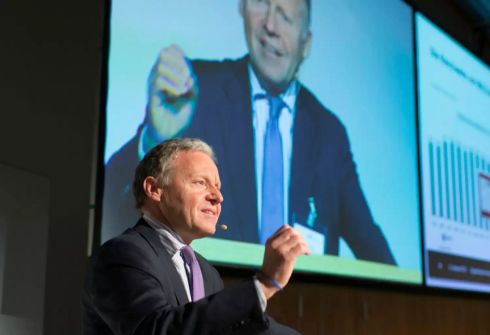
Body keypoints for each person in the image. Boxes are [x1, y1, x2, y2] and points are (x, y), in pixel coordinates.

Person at [103, 0, 396, 264]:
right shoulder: (194, 91)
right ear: (242, 10)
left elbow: (373, 249)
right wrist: (153, 138)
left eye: (286, 16)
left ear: (306, 44)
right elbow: (112, 206)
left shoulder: (329, 134)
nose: (270, 25)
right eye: (261, 4)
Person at [83, 138, 308, 334]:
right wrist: (264, 284)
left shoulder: (206, 273)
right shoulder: (122, 255)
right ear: (154, 189)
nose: (218, 197)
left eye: (218, 187)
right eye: (200, 183)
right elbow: (155, 330)